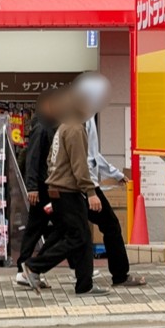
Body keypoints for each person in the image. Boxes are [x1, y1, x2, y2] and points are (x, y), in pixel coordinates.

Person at [22, 87, 109, 296]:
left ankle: (84, 284)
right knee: (77, 236)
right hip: (68, 190)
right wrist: (91, 193)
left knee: (80, 236)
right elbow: (80, 166)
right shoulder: (75, 129)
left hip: (57, 190)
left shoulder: (63, 127)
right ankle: (35, 266)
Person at [74, 73, 147, 288]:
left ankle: (35, 266)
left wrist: (115, 174)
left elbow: (94, 155)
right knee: (111, 226)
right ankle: (120, 275)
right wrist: (91, 192)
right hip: (85, 185)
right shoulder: (82, 117)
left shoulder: (86, 115)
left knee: (70, 231)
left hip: (79, 185)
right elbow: (85, 159)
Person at [15, 89, 61, 289]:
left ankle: (27, 268)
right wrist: (32, 187)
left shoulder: (49, 125)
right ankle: (26, 268)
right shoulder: (42, 127)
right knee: (41, 228)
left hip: (47, 186)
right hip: (43, 189)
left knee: (43, 227)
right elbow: (33, 159)